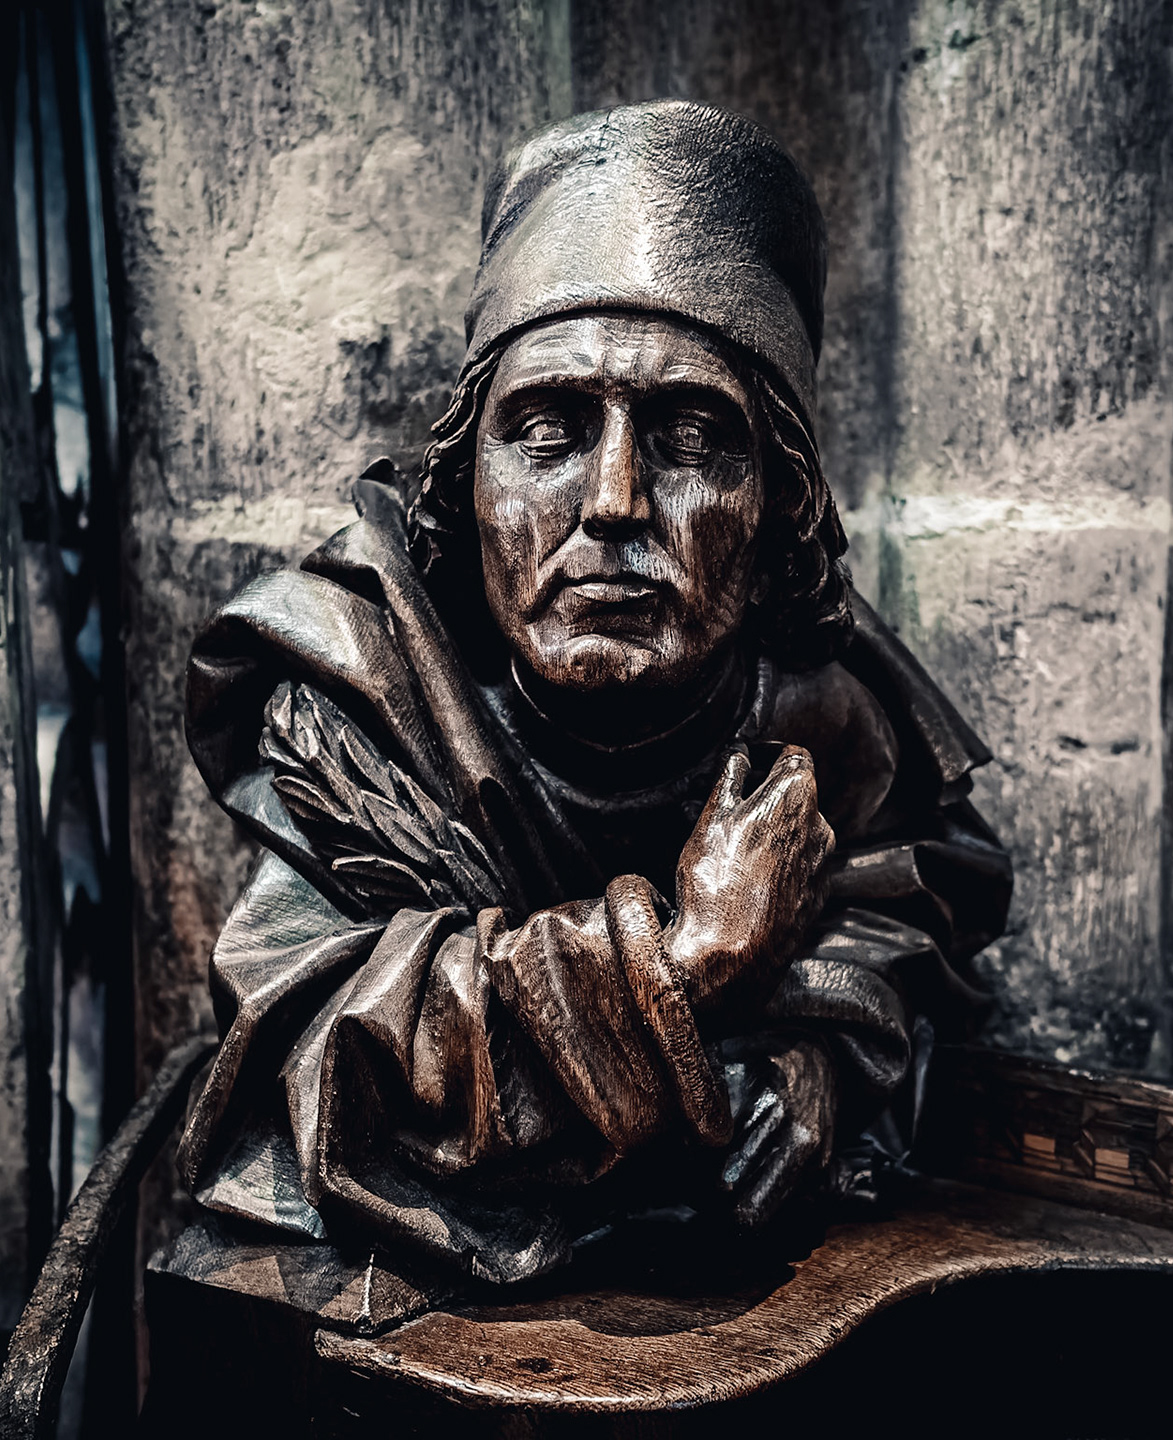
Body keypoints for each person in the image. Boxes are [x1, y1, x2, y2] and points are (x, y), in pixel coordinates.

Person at [177, 100, 1011, 1285]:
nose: (615, 500)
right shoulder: (366, 706)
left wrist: (821, 1057)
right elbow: (315, 1053)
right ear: (465, 485)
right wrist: (686, 961)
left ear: (776, 506)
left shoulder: (827, 714)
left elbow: (911, 921)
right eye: (549, 431)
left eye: (690, 439)